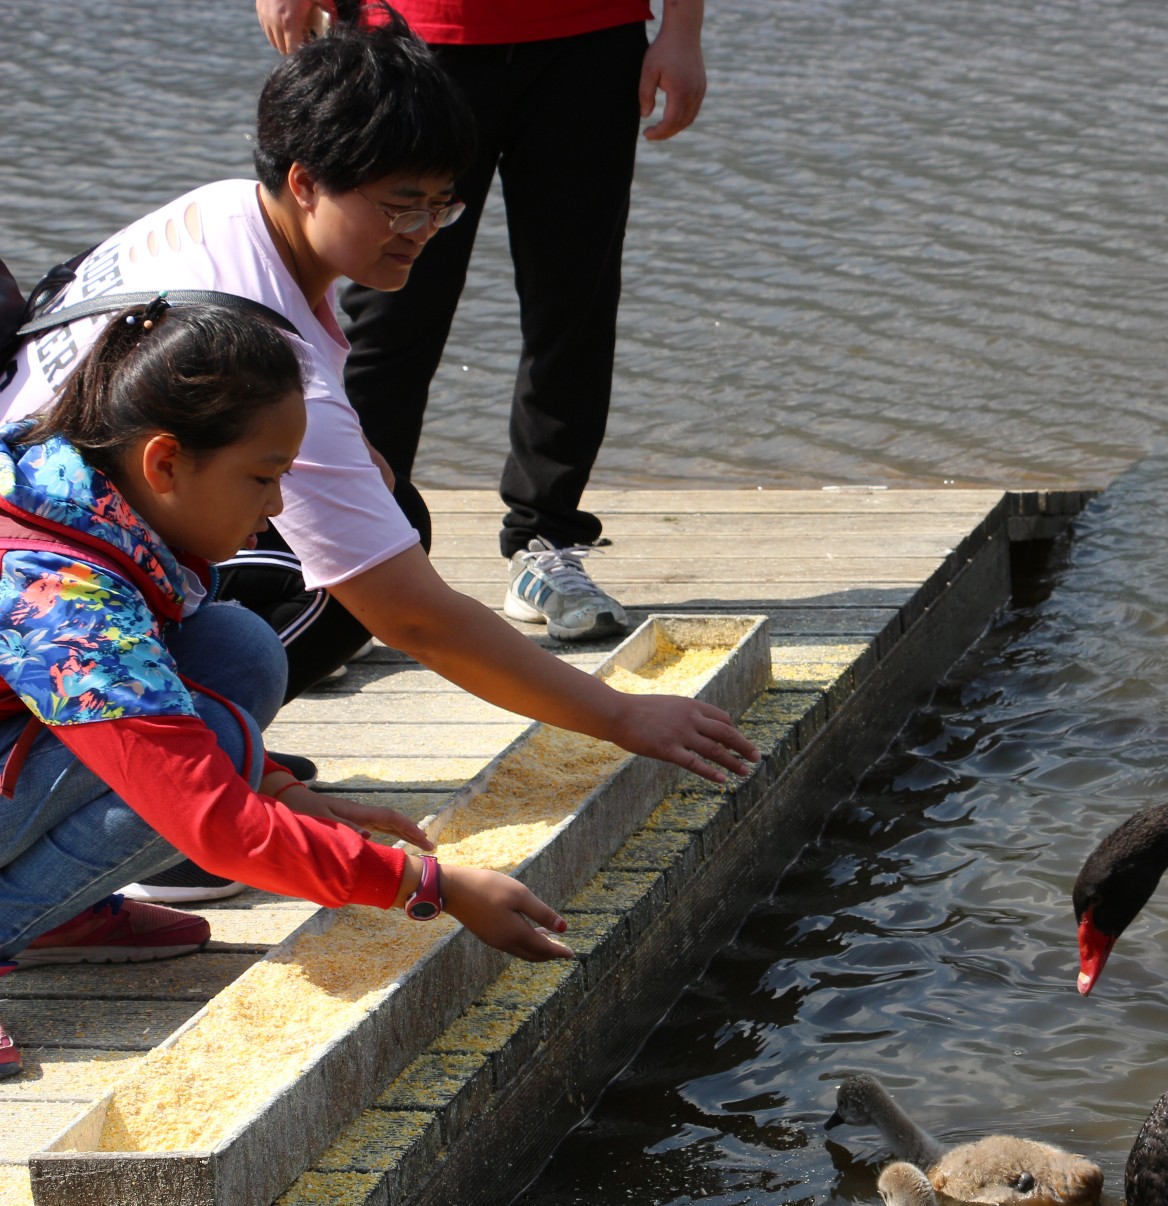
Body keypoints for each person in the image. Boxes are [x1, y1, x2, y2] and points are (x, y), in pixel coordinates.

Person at [0, 4, 756, 904]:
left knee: (261, 632)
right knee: (272, 662)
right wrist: (621, 716)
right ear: (306, 179)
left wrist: (284, 786)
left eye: (444, 201)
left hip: (50, 516)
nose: (427, 229)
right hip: (54, 578)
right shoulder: (259, 352)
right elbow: (416, 619)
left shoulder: (223, 215)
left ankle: (129, 838)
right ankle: (113, 858)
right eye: (401, 204)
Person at [0, 301, 571, 1078]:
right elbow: (210, 822)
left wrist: (277, 789)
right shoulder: (64, 592)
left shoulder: (84, 488)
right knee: (216, 749)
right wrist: (431, 886)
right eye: (262, 478)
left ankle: (50, 918)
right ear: (165, 461)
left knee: (234, 649)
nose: (273, 508)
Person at [257, 0, 708, 644]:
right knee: (388, 314)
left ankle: (545, 542)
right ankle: (341, 554)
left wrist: (682, 29)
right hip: (417, 27)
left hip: (588, 35)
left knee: (573, 304)